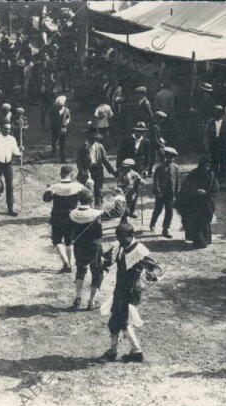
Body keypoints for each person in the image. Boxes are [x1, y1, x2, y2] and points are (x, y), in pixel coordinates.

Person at [101, 223, 160, 363]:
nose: (121, 241)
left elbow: (155, 267)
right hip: (120, 289)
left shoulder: (140, 251)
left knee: (119, 321)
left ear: (132, 236)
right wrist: (103, 263)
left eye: (124, 239)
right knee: (119, 321)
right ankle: (132, 352)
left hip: (131, 291)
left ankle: (119, 352)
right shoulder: (119, 245)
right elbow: (109, 258)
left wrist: (153, 275)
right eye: (119, 238)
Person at [42, 165, 84, 273]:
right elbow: (87, 196)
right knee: (69, 242)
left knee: (57, 240)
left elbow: (45, 199)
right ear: (72, 175)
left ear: (61, 174)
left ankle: (66, 263)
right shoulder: (77, 186)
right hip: (72, 217)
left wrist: (49, 189)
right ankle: (69, 264)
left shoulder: (55, 187)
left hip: (57, 217)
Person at [69, 189, 104, 311]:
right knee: (97, 272)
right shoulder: (96, 214)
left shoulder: (73, 214)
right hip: (94, 247)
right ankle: (91, 301)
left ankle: (78, 298)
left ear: (80, 200)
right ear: (91, 200)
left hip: (79, 246)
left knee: (80, 270)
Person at [174, 158, 219, 249]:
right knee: (195, 221)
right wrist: (195, 191)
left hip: (206, 202)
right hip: (194, 203)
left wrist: (206, 193)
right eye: (204, 166)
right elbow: (186, 188)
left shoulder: (211, 175)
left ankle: (206, 239)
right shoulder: (193, 175)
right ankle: (198, 241)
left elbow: (215, 189)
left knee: (205, 220)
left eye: (208, 166)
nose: (206, 168)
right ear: (200, 166)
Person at [76, 132, 117, 208]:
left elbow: (105, 160)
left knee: (98, 191)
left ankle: (98, 208)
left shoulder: (99, 146)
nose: (93, 141)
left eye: (95, 139)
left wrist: (113, 172)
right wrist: (82, 171)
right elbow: (79, 161)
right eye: (92, 139)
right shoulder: (82, 147)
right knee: (86, 192)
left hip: (97, 171)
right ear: (88, 138)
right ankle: (87, 209)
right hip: (86, 171)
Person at [150, 147, 180, 239]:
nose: (171, 159)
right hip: (161, 193)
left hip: (170, 194)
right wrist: (157, 190)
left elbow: (177, 181)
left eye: (173, 157)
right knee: (158, 210)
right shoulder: (160, 167)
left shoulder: (176, 168)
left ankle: (166, 229)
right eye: (169, 157)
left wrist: (177, 192)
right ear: (165, 156)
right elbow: (156, 180)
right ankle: (153, 223)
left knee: (169, 212)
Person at [204, 105, 226, 188]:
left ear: (222, 113)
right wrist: (206, 145)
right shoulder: (210, 122)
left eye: (219, 112)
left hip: (224, 145)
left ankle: (222, 181)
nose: (217, 114)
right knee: (214, 163)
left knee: (224, 163)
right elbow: (206, 134)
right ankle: (214, 181)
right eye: (216, 112)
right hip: (214, 145)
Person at [49, 95, 71, 163]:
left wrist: (66, 123)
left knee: (62, 143)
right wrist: (53, 123)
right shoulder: (53, 109)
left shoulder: (67, 110)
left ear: (64, 104)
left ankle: (62, 158)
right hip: (55, 128)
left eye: (61, 105)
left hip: (63, 128)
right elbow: (49, 115)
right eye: (58, 105)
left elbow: (68, 117)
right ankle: (53, 151)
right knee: (54, 140)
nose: (60, 106)